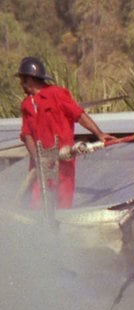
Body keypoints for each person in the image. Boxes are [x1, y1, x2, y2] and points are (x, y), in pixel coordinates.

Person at [17, 55, 114, 210]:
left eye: (22, 79)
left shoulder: (57, 94)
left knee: (62, 205)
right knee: (37, 207)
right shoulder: (26, 104)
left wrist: (99, 134)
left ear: (30, 79)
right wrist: (37, 158)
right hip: (40, 166)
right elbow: (27, 135)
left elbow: (79, 115)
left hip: (63, 162)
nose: (21, 84)